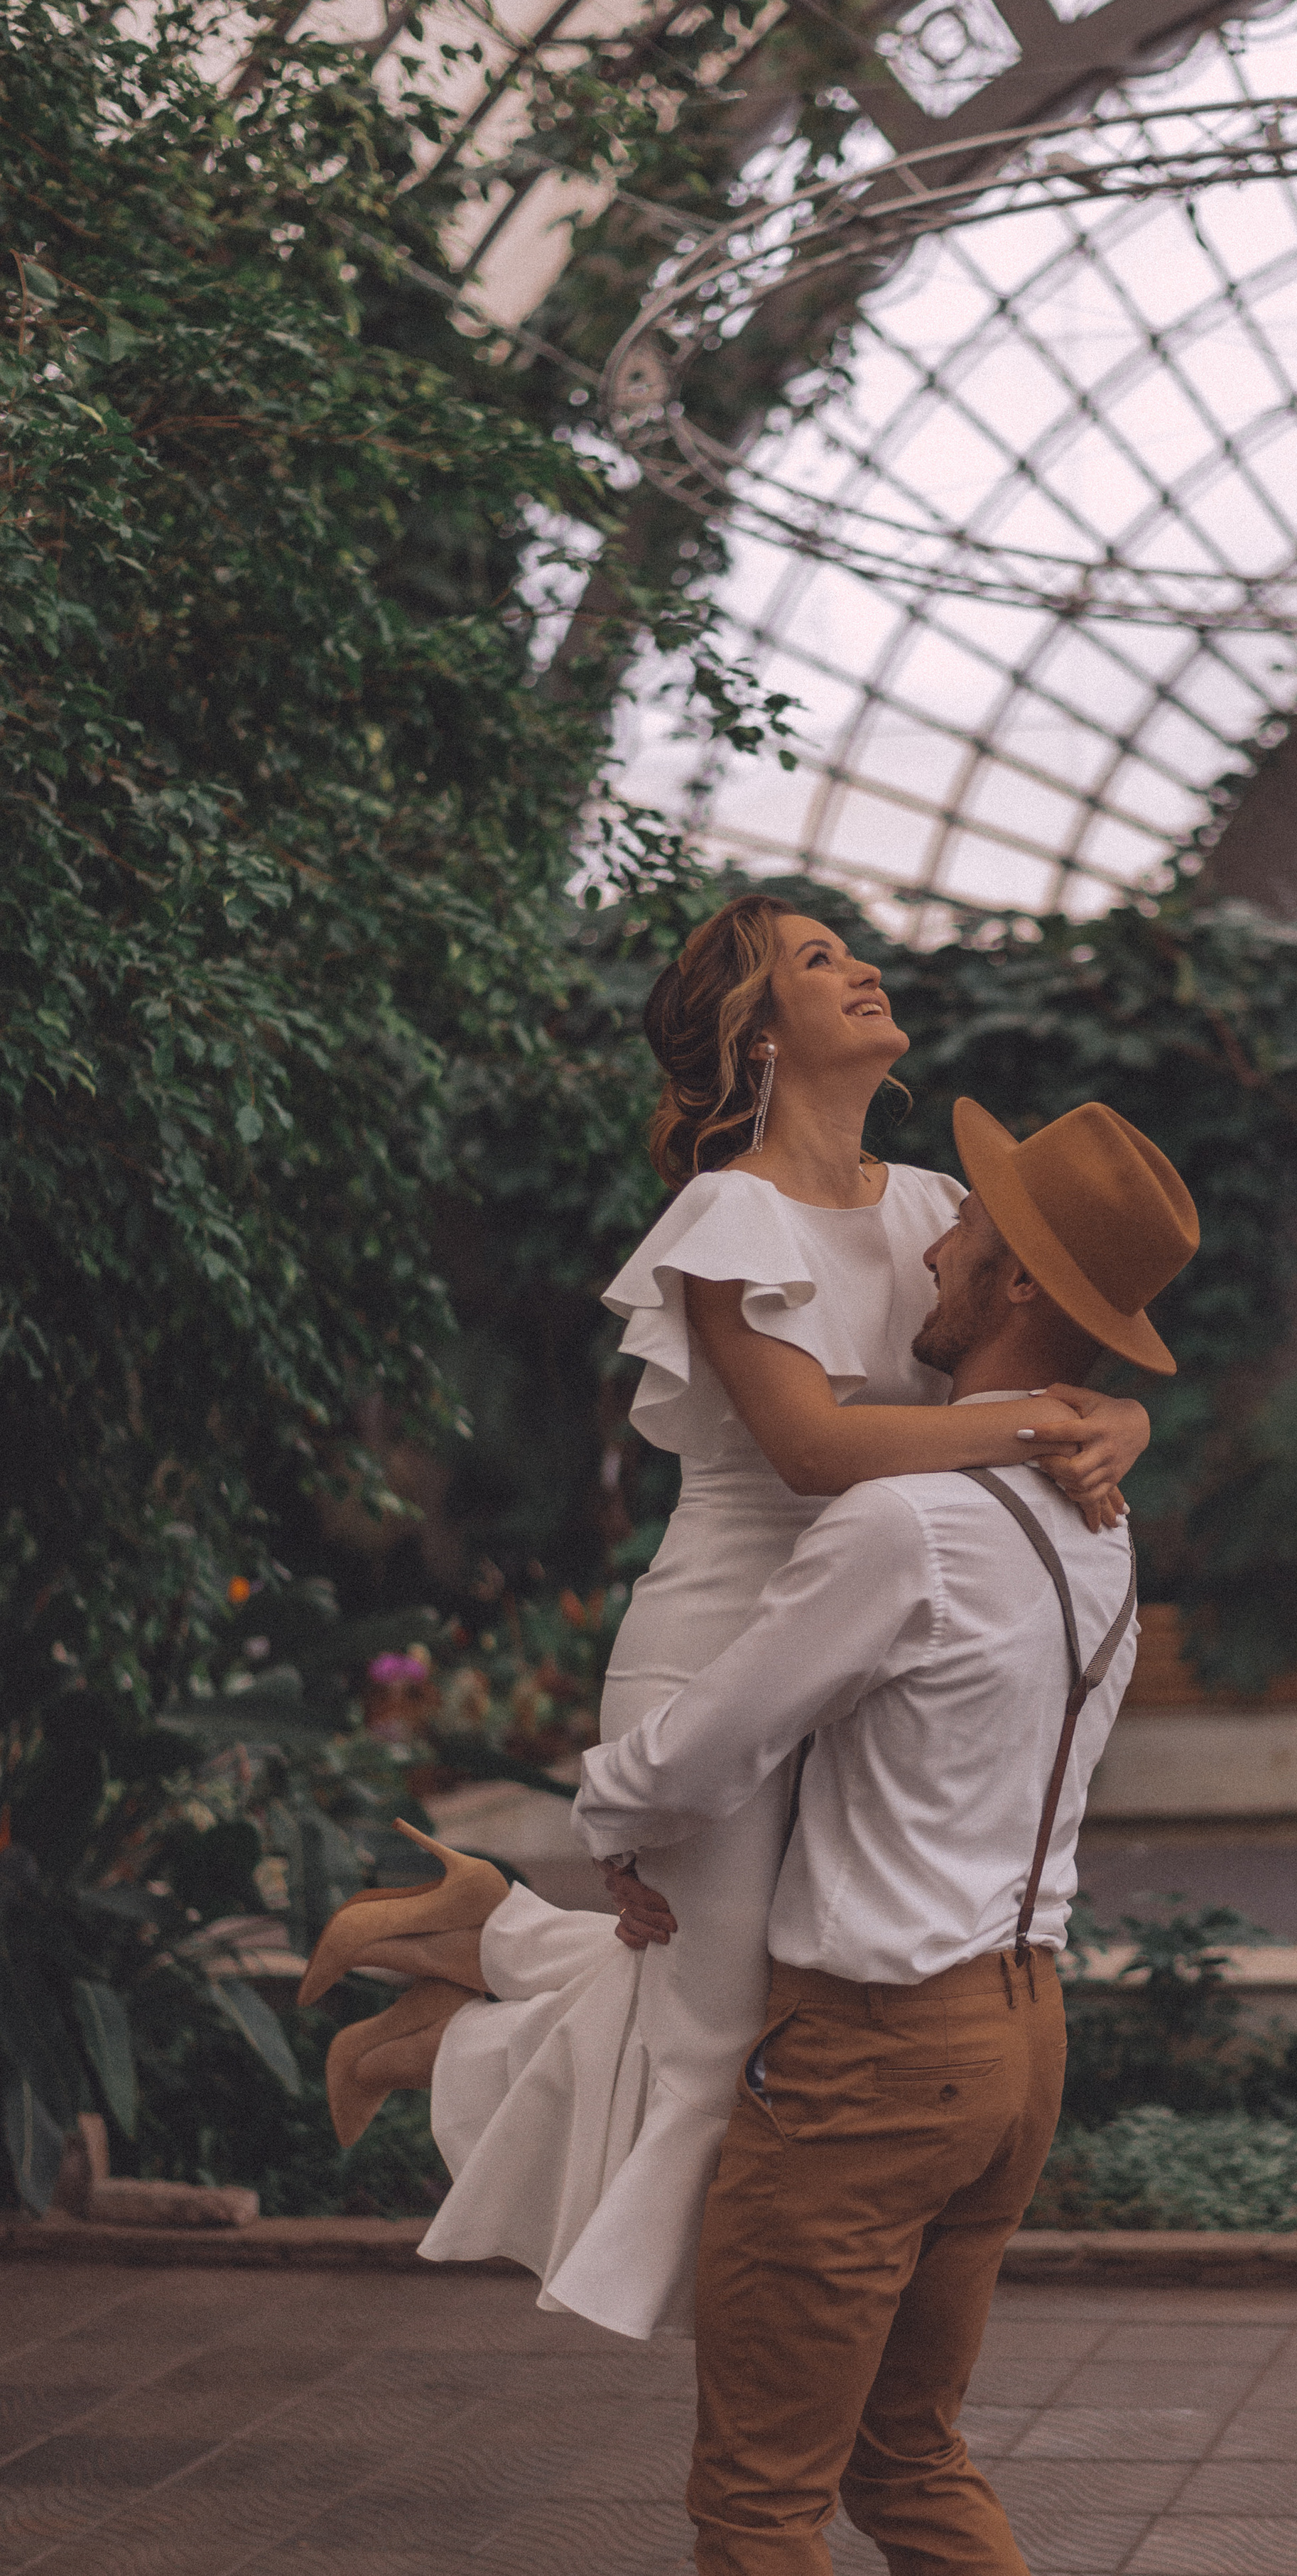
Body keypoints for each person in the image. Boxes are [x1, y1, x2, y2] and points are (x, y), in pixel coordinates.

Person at [297, 893, 1151, 2338]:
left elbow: (1021, 1371)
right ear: (756, 1035)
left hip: (880, 1638)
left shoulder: (938, 1212)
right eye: (821, 960)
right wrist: (1053, 1422)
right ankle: (759, 2374)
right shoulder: (723, 1219)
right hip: (718, 1646)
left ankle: (473, 1950)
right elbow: (816, 1451)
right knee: (718, 2036)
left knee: (774, 1982)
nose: (865, 967)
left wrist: (1112, 1408)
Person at [571, 1093, 1199, 2575]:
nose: (926, 1259)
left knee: (760, 2503)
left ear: (1019, 1287)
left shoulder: (902, 1522)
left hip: (871, 2059)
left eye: (963, 1237)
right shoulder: (1099, 1523)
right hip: (1018, 2041)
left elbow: (706, 1753)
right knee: (908, 2467)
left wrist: (605, 1801)